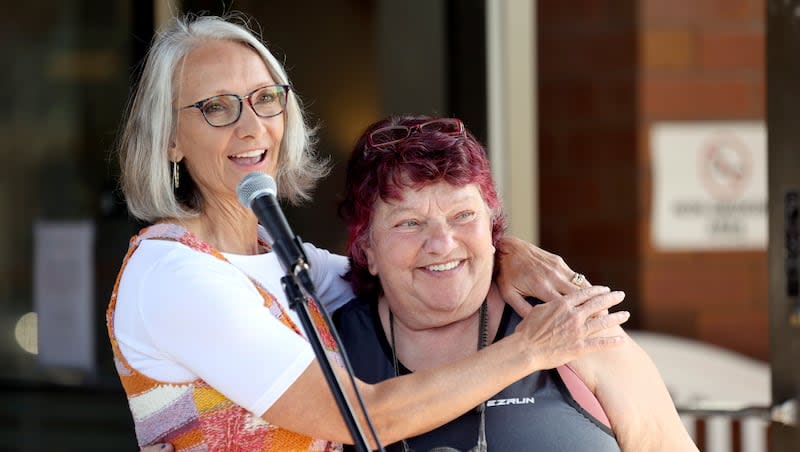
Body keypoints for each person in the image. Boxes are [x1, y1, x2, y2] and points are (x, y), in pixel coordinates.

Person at [107, 13, 630, 451]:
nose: (250, 126)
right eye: (216, 107)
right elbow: (366, 416)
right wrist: (532, 350)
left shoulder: (280, 262)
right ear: (170, 139)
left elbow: (409, 260)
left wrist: (502, 249)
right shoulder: (172, 276)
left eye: (265, 98)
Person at [334, 115, 699, 451]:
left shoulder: (573, 325)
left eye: (463, 215)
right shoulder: (331, 347)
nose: (442, 243)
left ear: (492, 227)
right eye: (409, 223)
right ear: (366, 247)